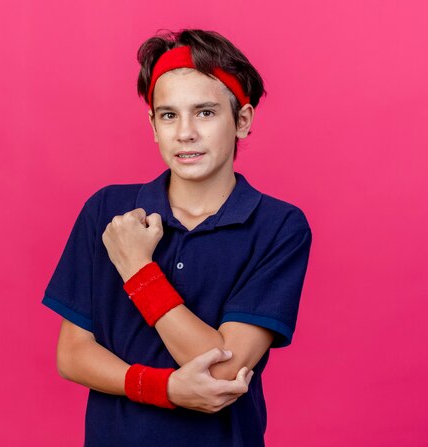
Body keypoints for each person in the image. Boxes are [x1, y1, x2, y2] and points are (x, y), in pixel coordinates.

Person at [41, 28, 313, 446]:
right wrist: (164, 388)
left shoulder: (277, 226)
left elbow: (222, 370)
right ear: (152, 124)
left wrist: (137, 268)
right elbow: (72, 354)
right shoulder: (107, 212)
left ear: (242, 120)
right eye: (169, 115)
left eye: (205, 112)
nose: (185, 132)